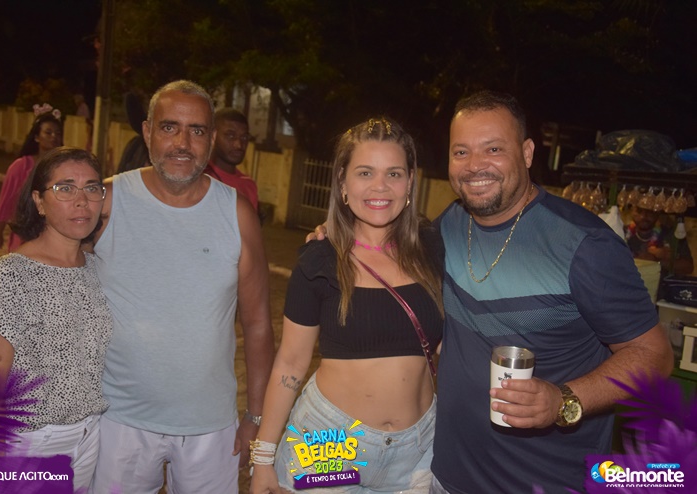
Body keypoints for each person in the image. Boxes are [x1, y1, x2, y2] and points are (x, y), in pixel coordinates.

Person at [0, 80, 274, 493]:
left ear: (210, 139)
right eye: (169, 127)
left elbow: (258, 323)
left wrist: (256, 417)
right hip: (117, 420)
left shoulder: (236, 213)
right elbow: (38, 262)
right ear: (147, 132)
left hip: (210, 425)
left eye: (196, 130)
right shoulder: (104, 200)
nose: (182, 143)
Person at [429, 91, 673, 493]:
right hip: (446, 476)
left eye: (493, 149)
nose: (474, 165)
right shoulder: (450, 224)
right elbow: (391, 250)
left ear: (527, 153)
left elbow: (655, 356)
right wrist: (337, 236)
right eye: (461, 152)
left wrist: (564, 400)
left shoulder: (584, 244)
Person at [250, 117, 444, 494]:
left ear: (410, 182)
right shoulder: (319, 261)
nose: (379, 186)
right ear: (342, 182)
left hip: (417, 451)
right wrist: (262, 459)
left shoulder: (433, 249)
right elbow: (290, 363)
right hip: (332, 444)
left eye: (393, 173)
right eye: (365, 172)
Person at [0, 146, 112, 491]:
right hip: (31, 441)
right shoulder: (9, 275)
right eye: (65, 188)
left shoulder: (98, 269)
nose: (82, 201)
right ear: (39, 201)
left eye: (92, 188)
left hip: (90, 436)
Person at [0, 106, 63, 253]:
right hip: (25, 235)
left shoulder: (64, 167)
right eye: (48, 132)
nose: (54, 136)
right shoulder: (21, 166)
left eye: (58, 133)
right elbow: (7, 200)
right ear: (37, 137)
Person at [204, 107, 259, 214]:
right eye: (230, 136)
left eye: (244, 137)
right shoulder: (198, 178)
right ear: (212, 136)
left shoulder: (248, 185)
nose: (239, 145)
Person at [625, 205, 693, 281]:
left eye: (650, 211)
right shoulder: (621, 232)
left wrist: (658, 262)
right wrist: (641, 261)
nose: (643, 216)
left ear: (658, 212)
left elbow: (688, 267)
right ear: (631, 211)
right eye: (639, 211)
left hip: (661, 285)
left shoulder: (672, 234)